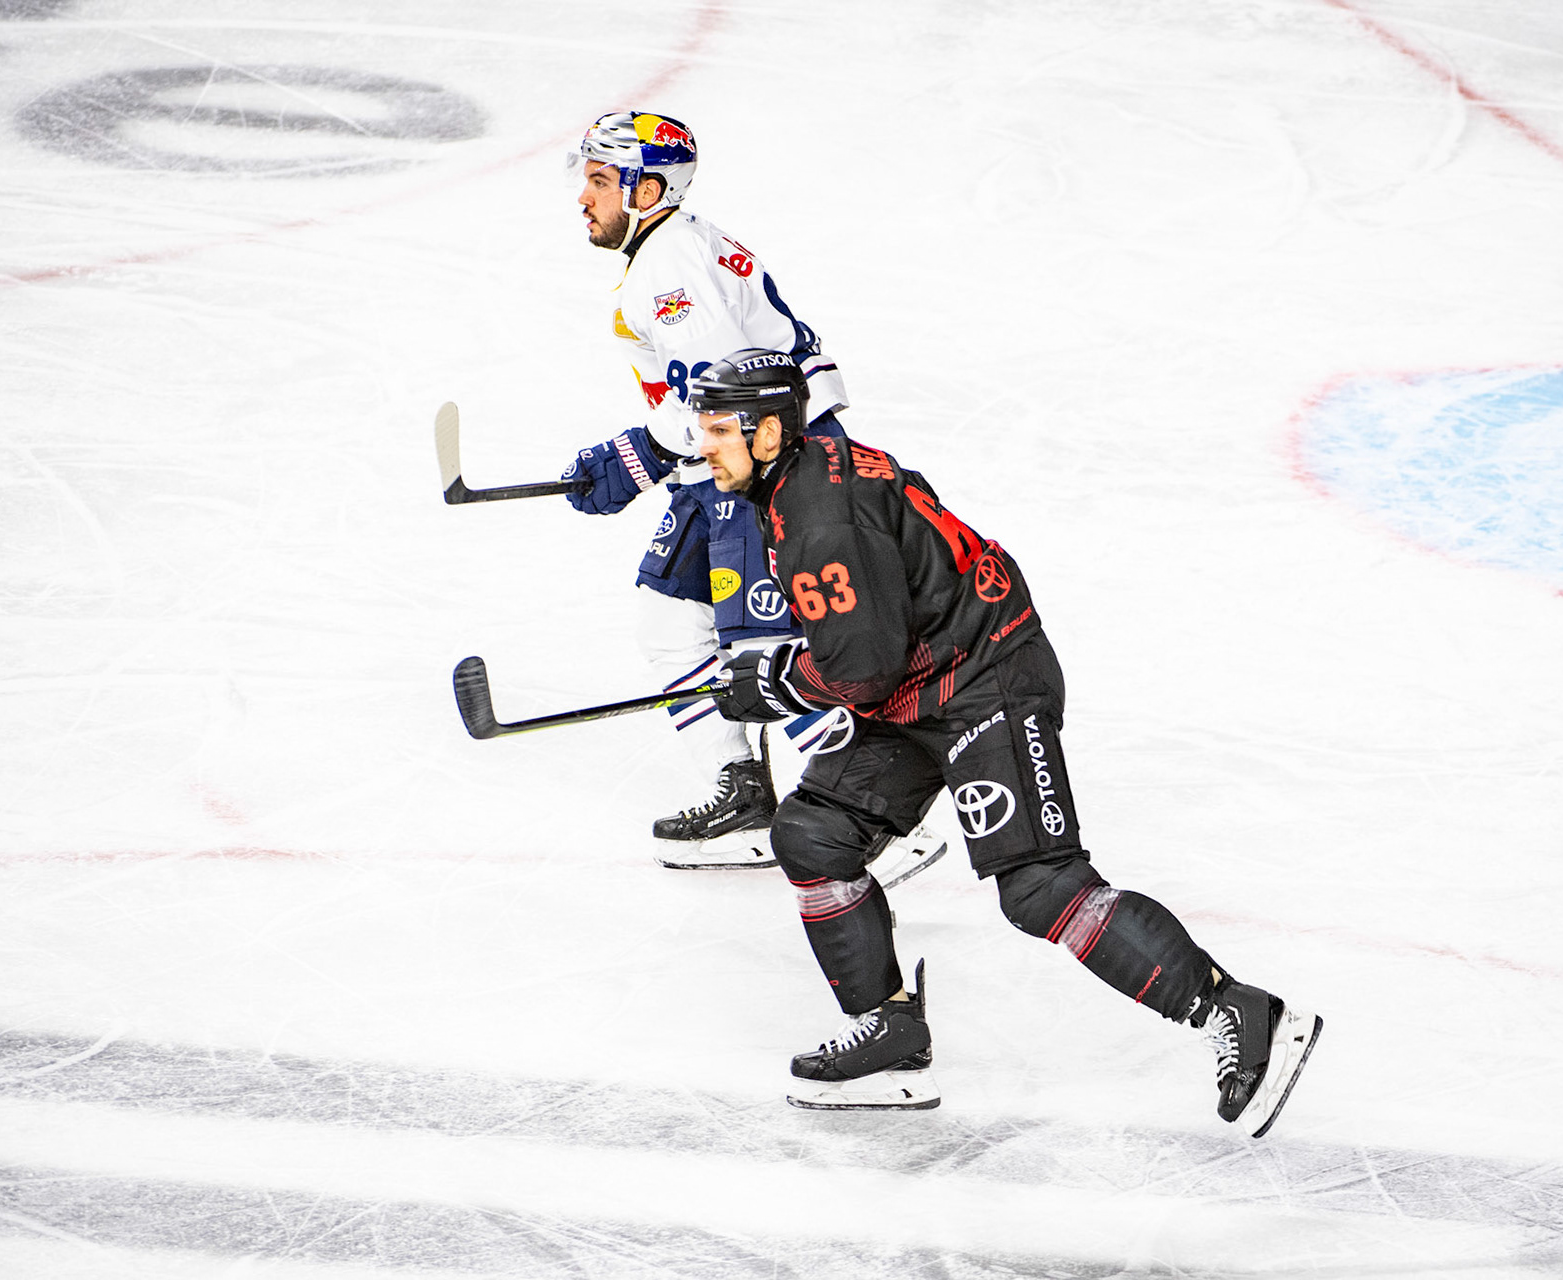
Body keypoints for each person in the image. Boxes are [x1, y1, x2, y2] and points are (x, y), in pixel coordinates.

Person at [689, 348, 1323, 1134]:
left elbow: (861, 667)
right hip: (925, 685)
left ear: (769, 432)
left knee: (1039, 886)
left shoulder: (818, 517)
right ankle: (889, 1035)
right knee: (813, 833)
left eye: (718, 429)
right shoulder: (803, 474)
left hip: (989, 679)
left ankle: (1237, 1010)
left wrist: (780, 681)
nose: (703, 445)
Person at [556, 111, 943, 882]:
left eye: (600, 180)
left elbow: (723, 391)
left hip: (764, 462)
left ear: (647, 190)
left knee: (764, 646)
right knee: (671, 622)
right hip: (724, 463)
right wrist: (656, 456)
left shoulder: (670, 262)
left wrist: (634, 457)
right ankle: (744, 797)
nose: (583, 197)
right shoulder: (673, 247)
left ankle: (882, 817)